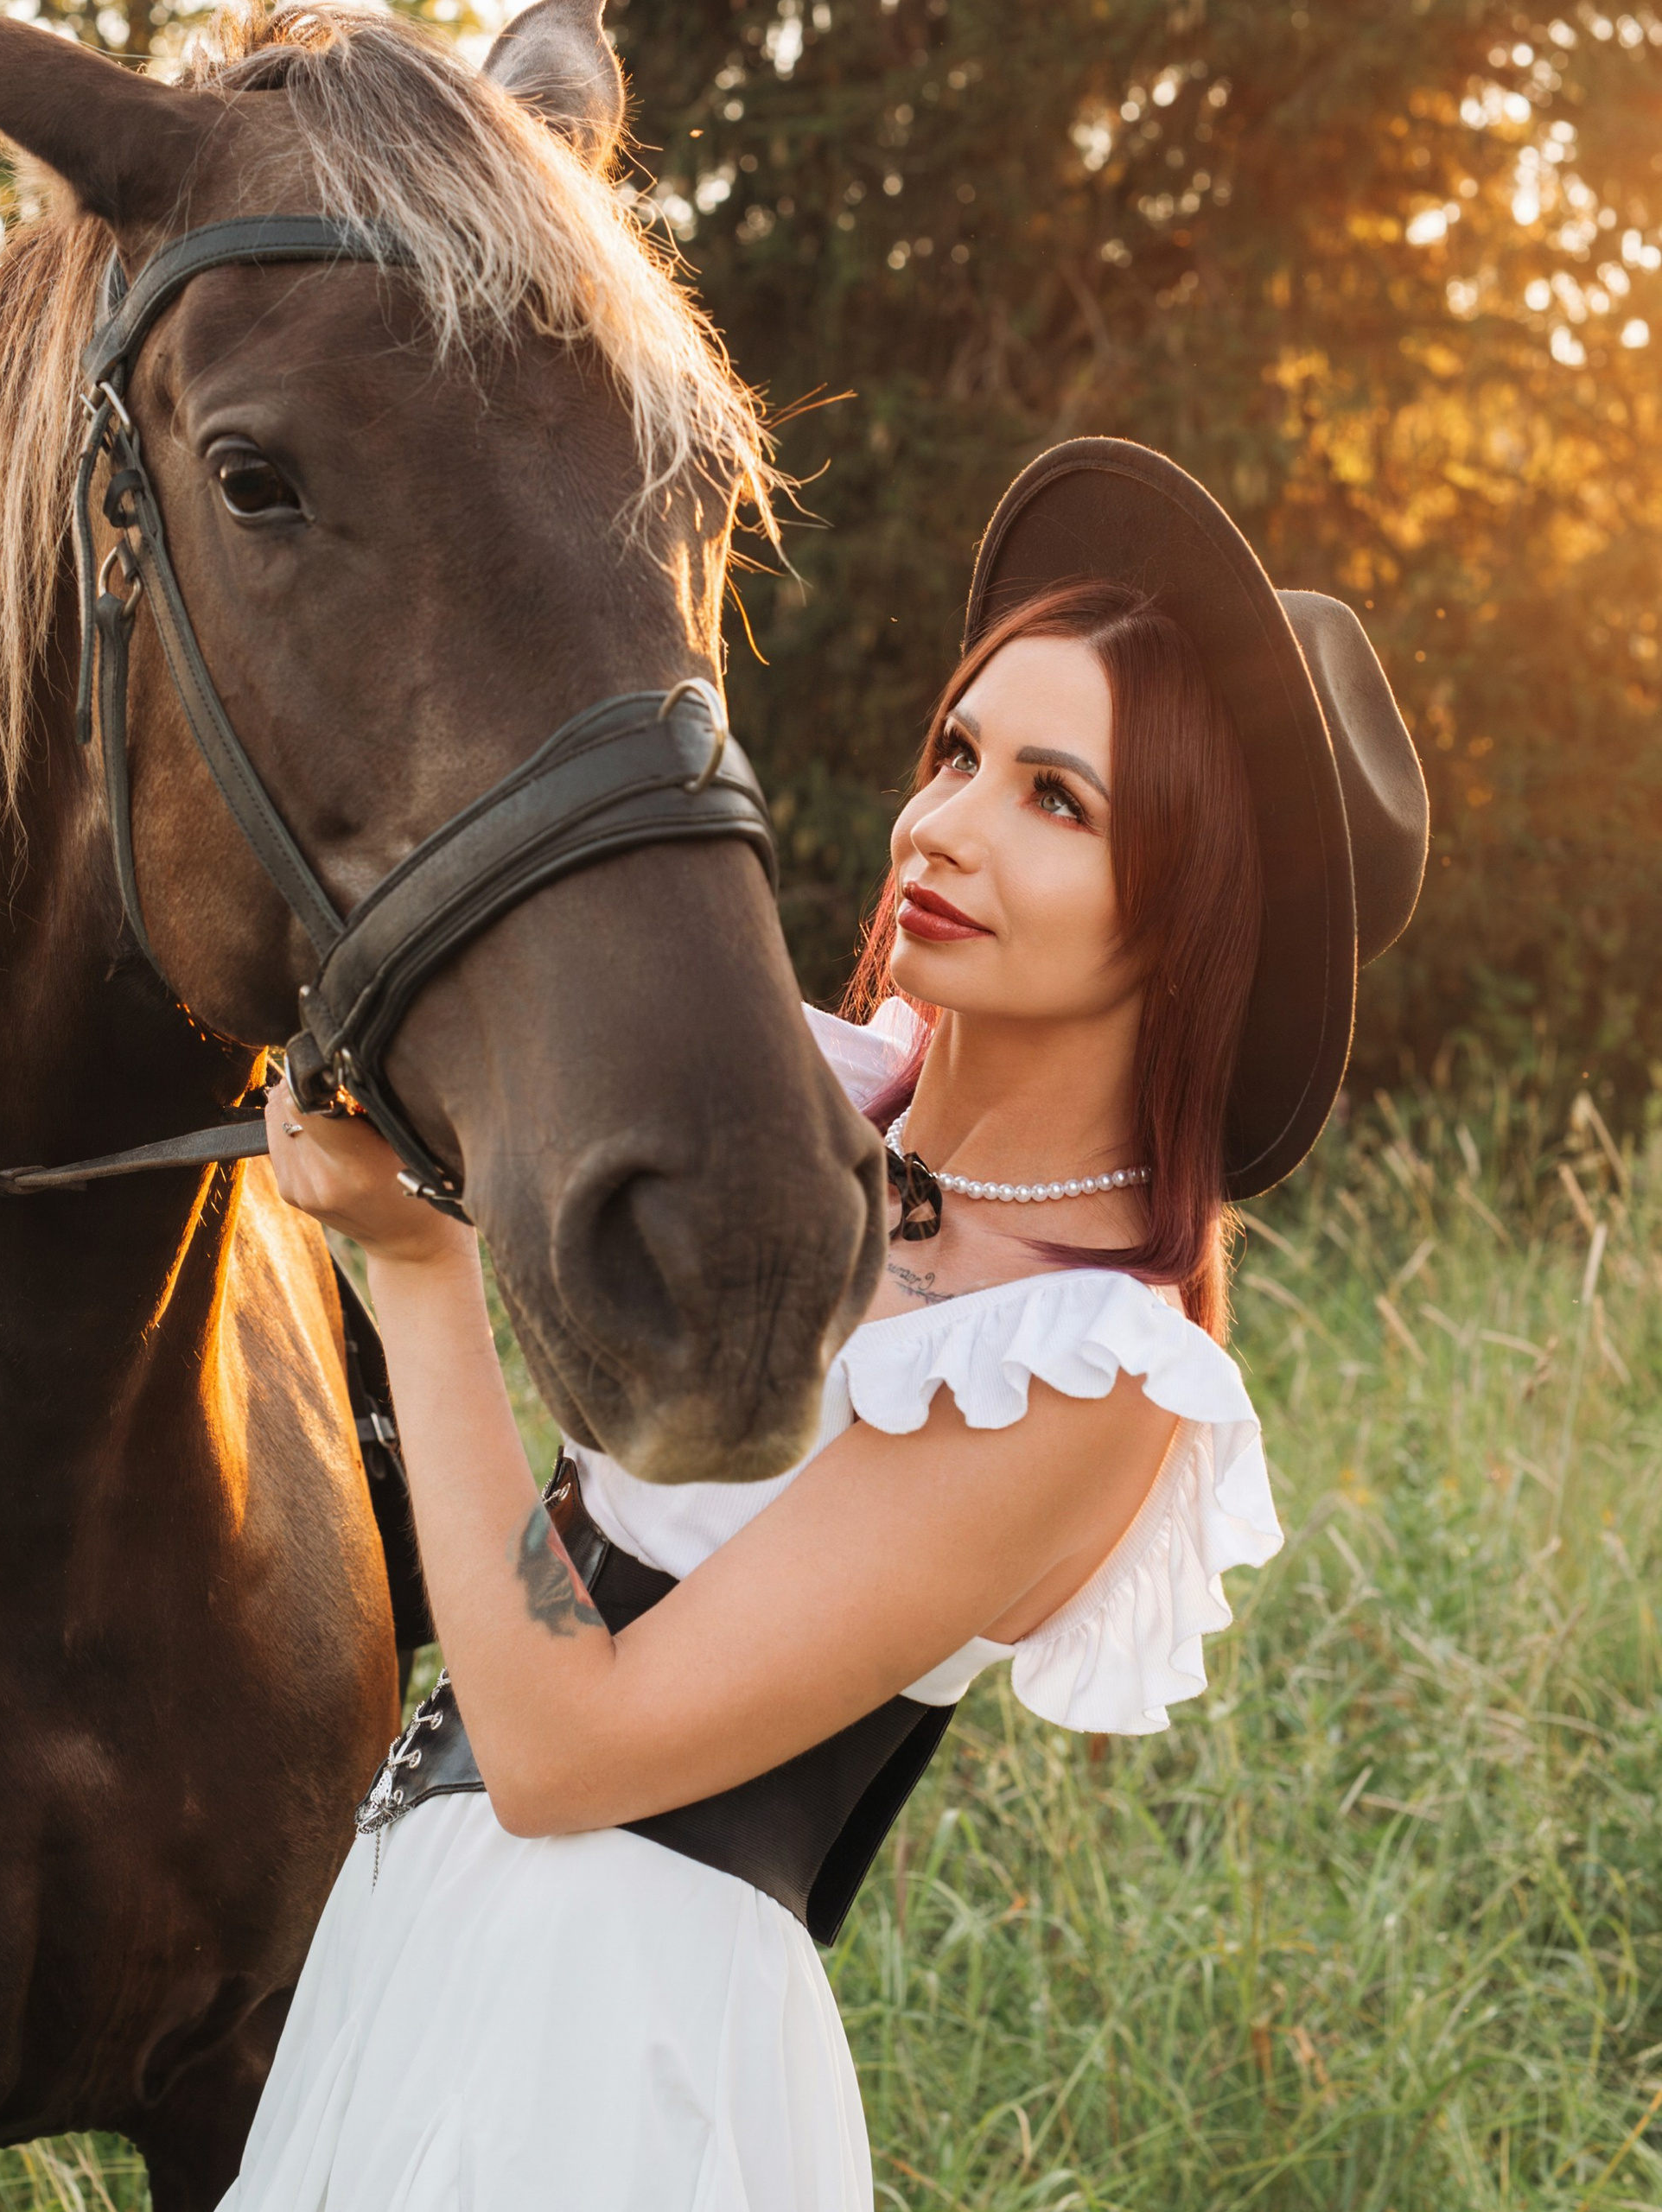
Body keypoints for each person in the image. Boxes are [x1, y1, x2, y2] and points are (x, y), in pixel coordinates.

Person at [222, 438, 1429, 2210]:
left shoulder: (1081, 1362)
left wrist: (415, 1273)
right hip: (416, 1932)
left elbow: (569, 1745)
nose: (940, 823)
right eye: (958, 752)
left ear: (1188, 920)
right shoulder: (795, 1096)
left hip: (608, 2041)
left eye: (1056, 800)